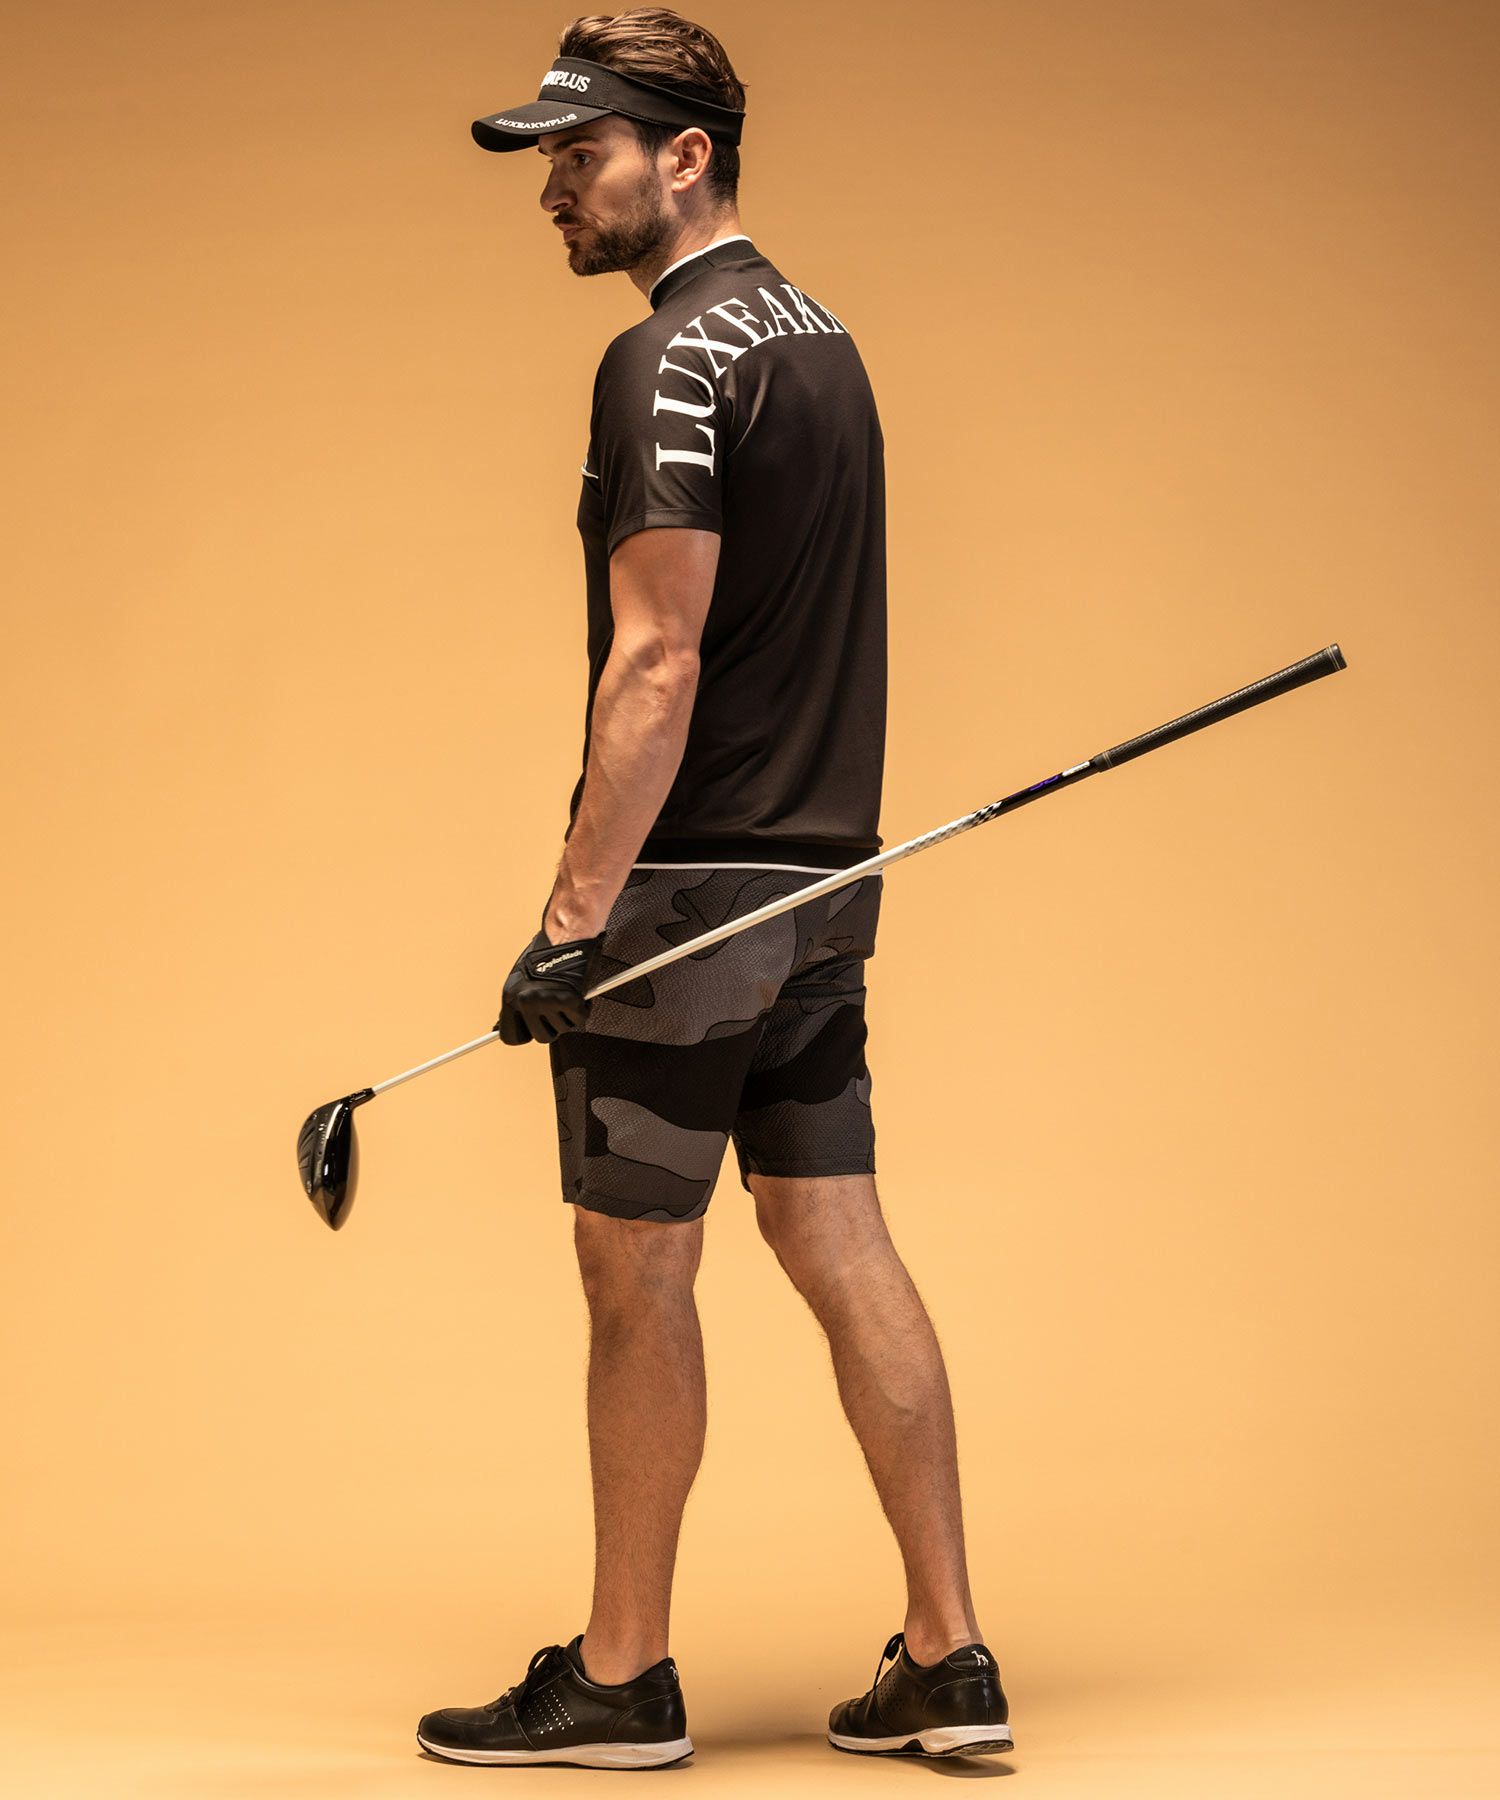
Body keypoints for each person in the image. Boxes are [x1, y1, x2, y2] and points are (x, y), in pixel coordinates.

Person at [416, 6, 1012, 1770]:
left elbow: (659, 660)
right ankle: (949, 1654)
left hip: (685, 902)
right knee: (836, 1236)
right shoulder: (824, 344)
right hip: (822, 882)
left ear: (687, 157)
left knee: (635, 1272)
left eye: (579, 153)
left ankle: (621, 1676)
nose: (553, 189)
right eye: (546, 158)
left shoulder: (667, 359)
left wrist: (572, 925)